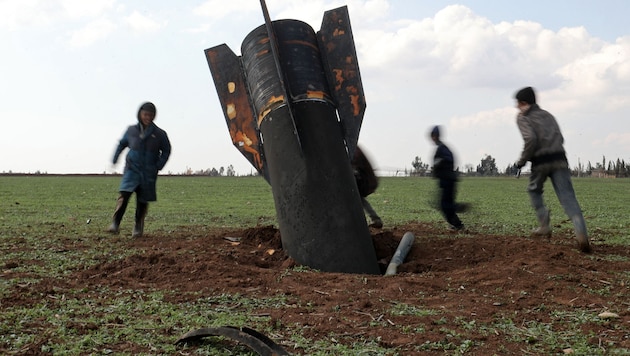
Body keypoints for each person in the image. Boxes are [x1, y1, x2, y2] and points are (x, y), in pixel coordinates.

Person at [514, 86, 592, 253]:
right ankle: (581, 234)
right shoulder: (549, 115)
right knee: (568, 197)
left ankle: (544, 225)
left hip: (541, 162)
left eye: (518, 103)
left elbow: (530, 140)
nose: (517, 107)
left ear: (524, 103)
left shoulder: (522, 117)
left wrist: (521, 162)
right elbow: (561, 137)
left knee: (534, 190)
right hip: (560, 159)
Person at [107, 102, 171, 237]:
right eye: (145, 114)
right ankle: (115, 224)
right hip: (132, 170)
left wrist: (158, 166)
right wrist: (115, 158)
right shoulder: (131, 130)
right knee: (123, 196)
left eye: (151, 115)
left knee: (142, 201)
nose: (148, 117)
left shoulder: (159, 134)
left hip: (148, 172)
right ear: (140, 114)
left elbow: (166, 150)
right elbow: (121, 144)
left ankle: (137, 227)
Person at [430, 125, 465, 230]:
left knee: (445, 205)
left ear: (435, 136)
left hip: (448, 181)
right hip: (446, 180)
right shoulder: (442, 148)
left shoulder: (442, 148)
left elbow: (446, 160)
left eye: (433, 136)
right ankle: (457, 223)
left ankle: (458, 213)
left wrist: (437, 165)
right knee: (445, 205)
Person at [352, 146, 383, 229]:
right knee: (359, 199)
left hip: (365, 181)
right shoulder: (353, 148)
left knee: (357, 198)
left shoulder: (353, 152)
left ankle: (358, 222)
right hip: (366, 180)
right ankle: (374, 219)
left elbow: (355, 168)